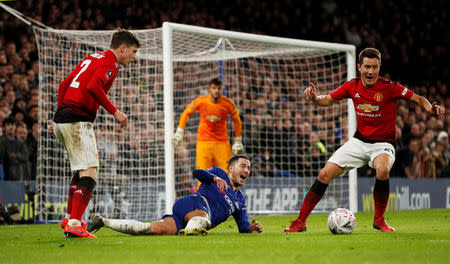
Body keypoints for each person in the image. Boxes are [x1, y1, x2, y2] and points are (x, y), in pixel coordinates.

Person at [284, 48, 445, 233]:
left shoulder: (390, 87)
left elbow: (418, 98)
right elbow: (327, 100)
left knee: (383, 169)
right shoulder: (352, 86)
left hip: (383, 144)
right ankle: (300, 222)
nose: (370, 71)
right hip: (359, 141)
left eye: (374, 67)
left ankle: (379, 220)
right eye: (367, 67)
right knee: (323, 175)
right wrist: (314, 98)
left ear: (379, 68)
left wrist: (429, 108)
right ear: (359, 67)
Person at [48, 28, 140, 238]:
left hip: (63, 118)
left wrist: (57, 116)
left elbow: (64, 84)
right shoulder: (110, 64)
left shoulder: (92, 58)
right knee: (90, 173)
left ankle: (71, 217)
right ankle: (74, 223)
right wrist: (115, 112)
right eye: (133, 52)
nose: (134, 57)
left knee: (80, 171)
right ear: (123, 48)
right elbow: (92, 87)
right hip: (77, 119)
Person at [86, 155, 263, 236]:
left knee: (150, 229)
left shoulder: (241, 201)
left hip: (184, 219)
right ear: (231, 168)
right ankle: (190, 233)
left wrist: (251, 229)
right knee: (204, 217)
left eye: (248, 168)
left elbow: (243, 226)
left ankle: (104, 221)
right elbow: (198, 172)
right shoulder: (219, 173)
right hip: (191, 204)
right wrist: (214, 177)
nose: (246, 170)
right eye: (242, 166)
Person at [172, 78, 244, 175]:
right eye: (214, 88)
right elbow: (186, 113)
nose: (216, 91)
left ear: (222, 89)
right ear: (209, 89)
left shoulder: (228, 103)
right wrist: (180, 131)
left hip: (222, 143)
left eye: (219, 88)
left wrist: (238, 139)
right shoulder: (201, 101)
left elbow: (237, 120)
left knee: (226, 176)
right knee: (203, 176)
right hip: (204, 142)